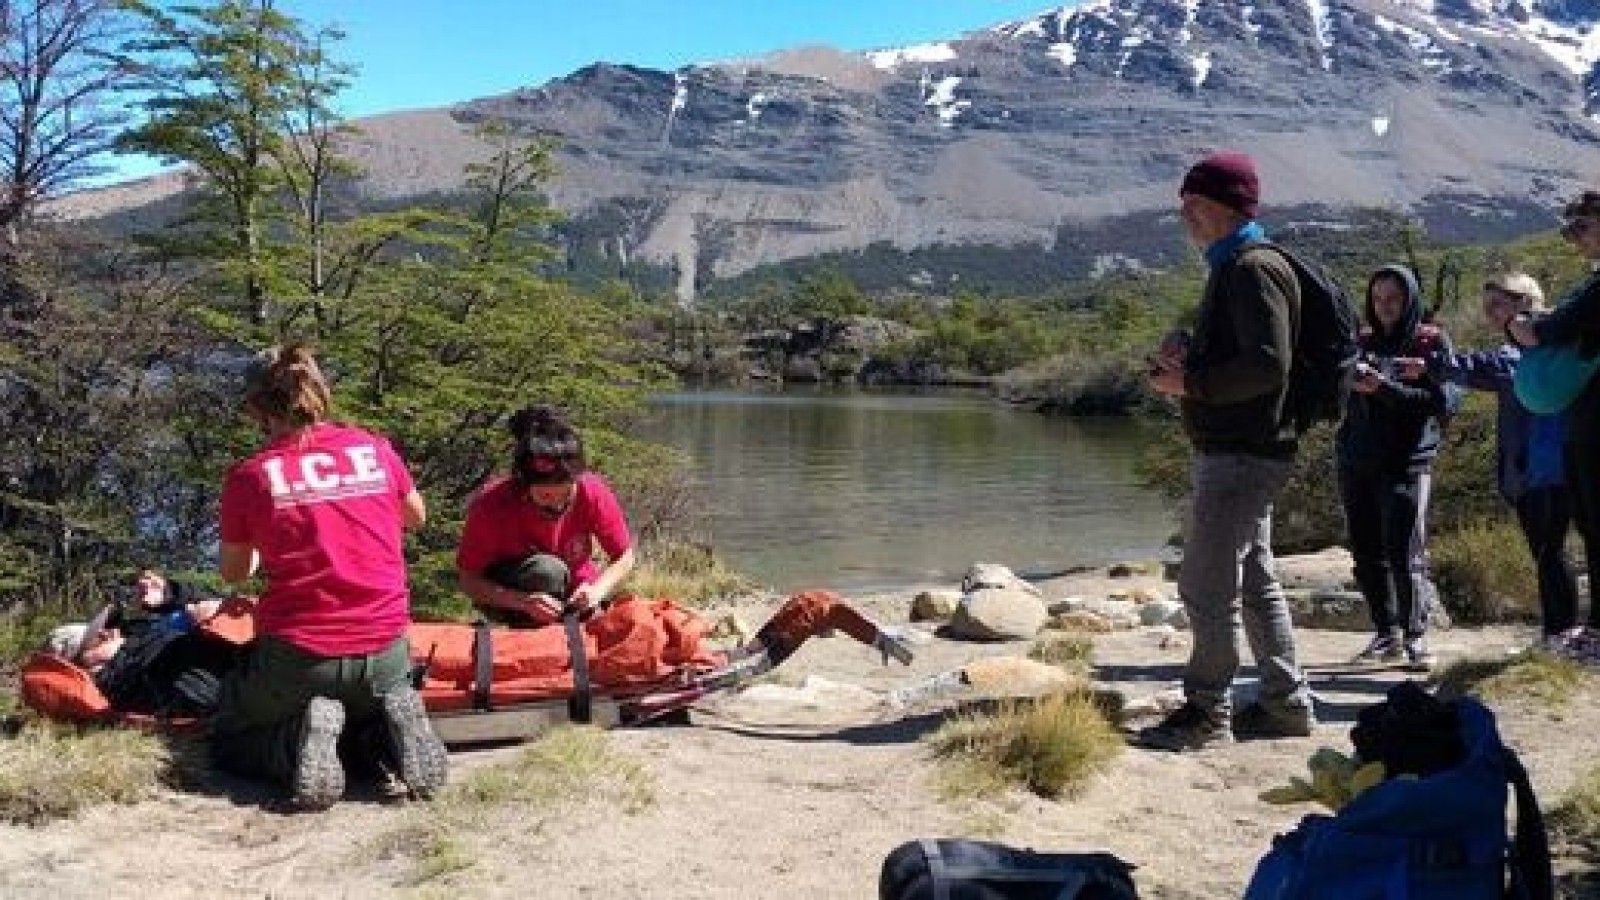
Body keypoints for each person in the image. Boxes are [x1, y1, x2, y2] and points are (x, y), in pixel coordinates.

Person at [211, 344, 447, 810]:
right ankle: (389, 740)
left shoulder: (250, 477)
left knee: (228, 736)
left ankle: (294, 742)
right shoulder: (373, 449)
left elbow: (234, 573)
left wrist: (266, 540)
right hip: (386, 653)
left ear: (255, 409)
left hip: (299, 656)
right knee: (357, 716)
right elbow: (416, 516)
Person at [1137, 150, 1314, 752]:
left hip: (1241, 455)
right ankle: (1286, 706)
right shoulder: (1239, 264)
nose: (1186, 216)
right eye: (1185, 205)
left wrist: (1189, 383)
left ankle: (1207, 714)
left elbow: (1268, 365)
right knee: (1256, 579)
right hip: (1246, 449)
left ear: (1228, 207)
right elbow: (1254, 357)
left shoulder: (1251, 266)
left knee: (1206, 585)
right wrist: (1191, 356)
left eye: (1196, 205)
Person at [1412, 273, 1578, 637]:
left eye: (1497, 305)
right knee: (1547, 553)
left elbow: (1482, 367)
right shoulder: (1543, 346)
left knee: (1549, 553)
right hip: (1542, 467)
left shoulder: (1529, 352)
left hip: (1545, 468)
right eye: (1488, 307)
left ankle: (1561, 634)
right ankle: (1559, 633)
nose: (1490, 314)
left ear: (1525, 303)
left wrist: (1431, 361)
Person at [1337, 266, 1459, 670]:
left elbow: (1441, 403)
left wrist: (1383, 387)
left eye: (1392, 298)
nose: (1384, 307)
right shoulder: (1362, 341)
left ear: (1409, 299)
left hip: (1407, 462)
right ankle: (1385, 632)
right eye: (1377, 299)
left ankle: (1415, 636)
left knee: (1405, 550)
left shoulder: (1429, 341)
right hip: (1357, 459)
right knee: (1366, 551)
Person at [1509, 190, 1600, 636]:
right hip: (1585, 419)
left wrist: (1527, 326)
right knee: (1588, 522)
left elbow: (1551, 329)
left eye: (1582, 228)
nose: (1574, 240)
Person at [456, 405, 637, 628]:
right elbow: (468, 580)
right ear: (524, 486)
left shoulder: (591, 490)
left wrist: (597, 590)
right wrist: (522, 602)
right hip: (509, 592)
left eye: (566, 493)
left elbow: (624, 557)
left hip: (572, 589)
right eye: (546, 495)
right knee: (547, 571)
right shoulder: (492, 504)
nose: (558, 504)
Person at [43, 571, 239, 717]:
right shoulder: (137, 682)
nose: (110, 632)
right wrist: (205, 627)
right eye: (97, 637)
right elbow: (207, 694)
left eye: (106, 627)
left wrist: (170, 594)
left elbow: (226, 604)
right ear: (86, 664)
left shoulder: (135, 642)